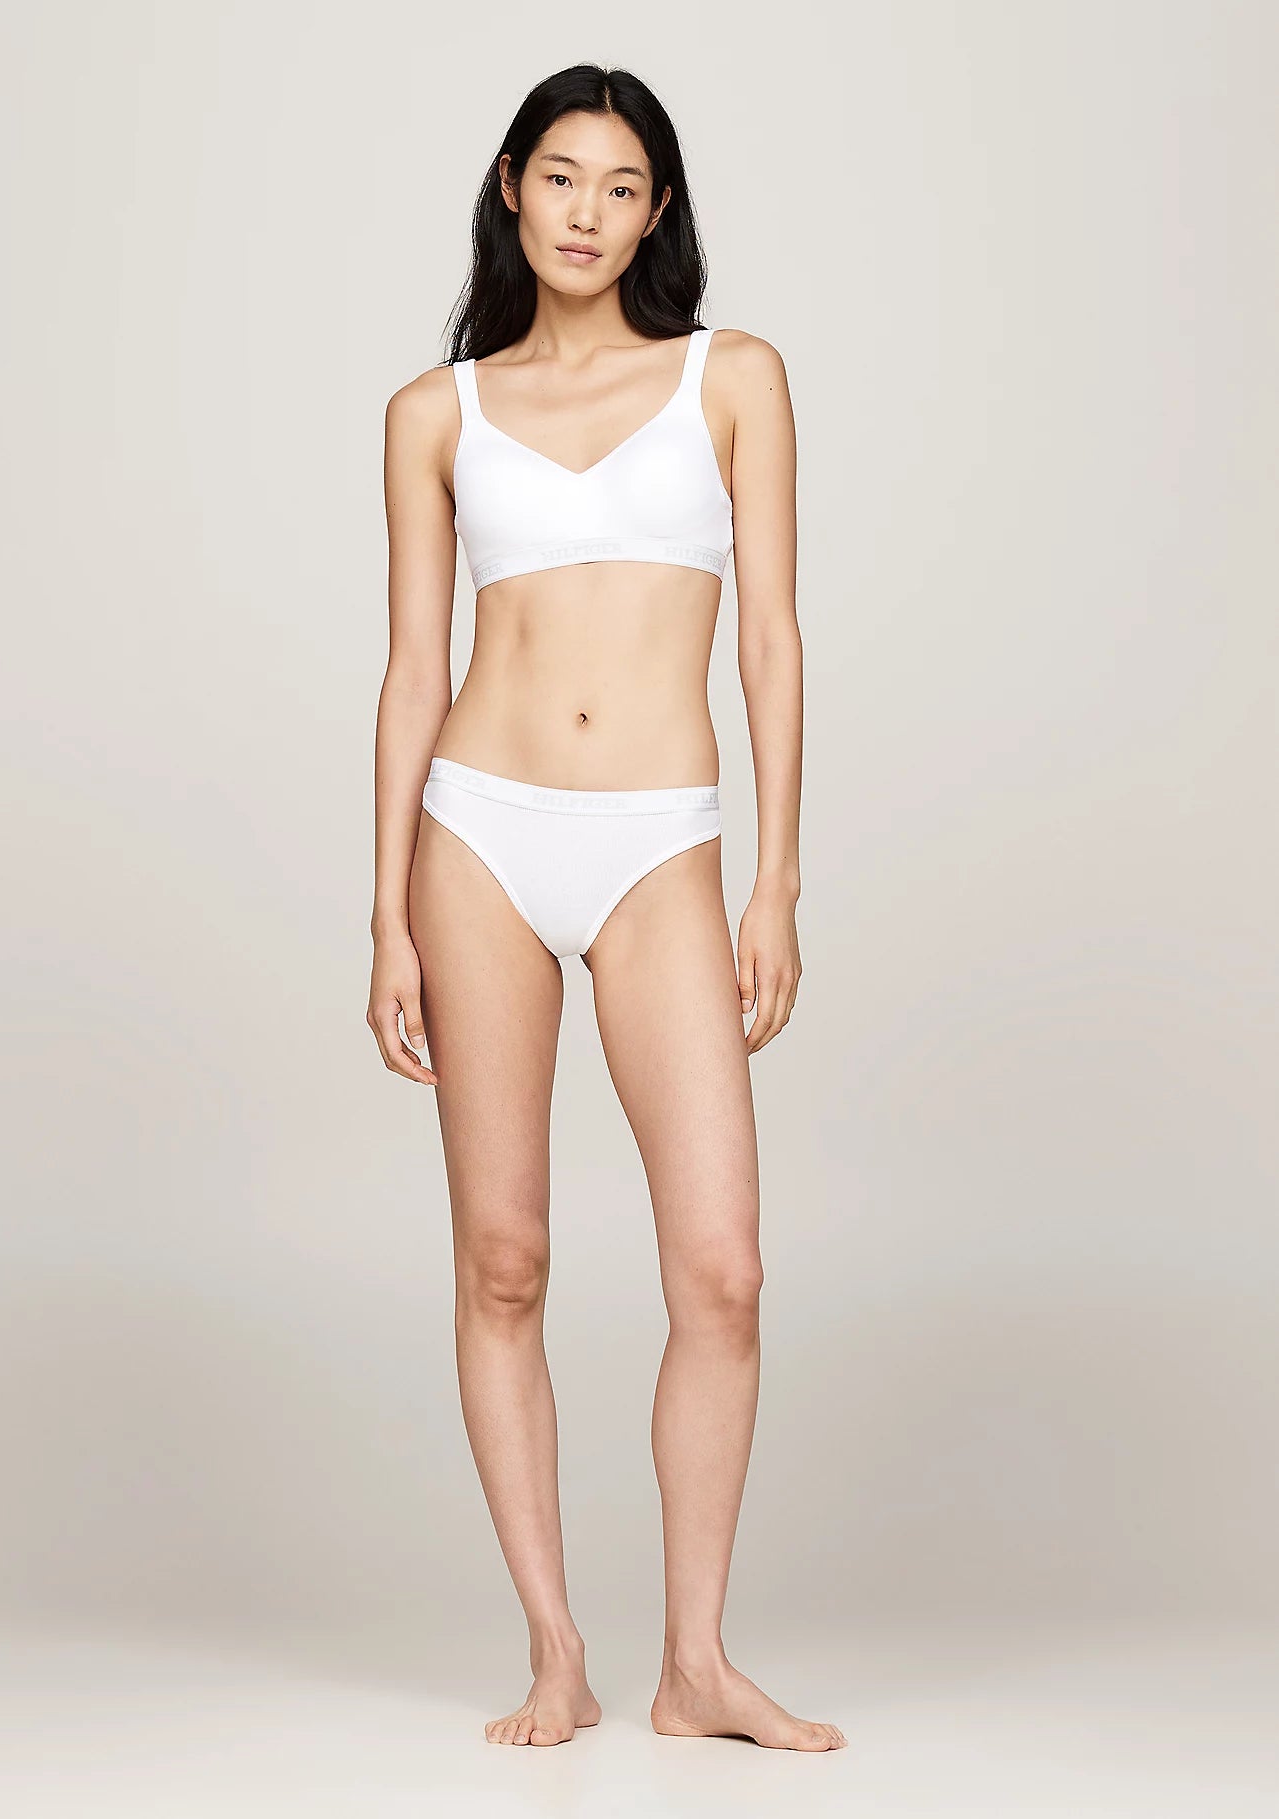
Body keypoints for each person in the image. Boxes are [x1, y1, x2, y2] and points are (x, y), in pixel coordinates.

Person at [367, 63, 846, 1755]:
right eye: (562, 176)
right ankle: (557, 1649)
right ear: (512, 187)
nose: (587, 211)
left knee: (723, 1271)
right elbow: (413, 666)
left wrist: (777, 875)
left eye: (623, 186)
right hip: (477, 835)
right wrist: (383, 916)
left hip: (660, 845)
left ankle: (695, 1662)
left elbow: (771, 639)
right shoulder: (436, 411)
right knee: (504, 1261)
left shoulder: (735, 378)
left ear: (659, 214)